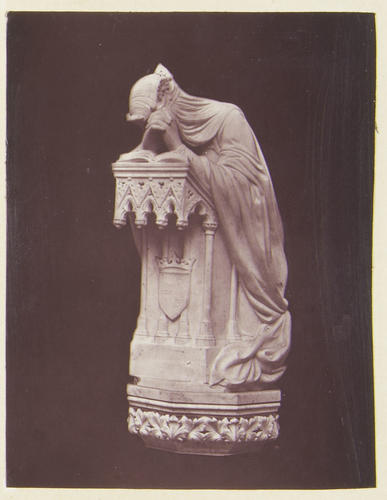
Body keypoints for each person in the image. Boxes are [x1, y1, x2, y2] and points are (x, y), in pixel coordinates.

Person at [126, 64, 291, 388]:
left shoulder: (229, 119)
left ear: (168, 100)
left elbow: (247, 192)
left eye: (151, 119)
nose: (154, 126)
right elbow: (136, 166)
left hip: (234, 262)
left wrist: (178, 147)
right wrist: (149, 143)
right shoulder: (164, 130)